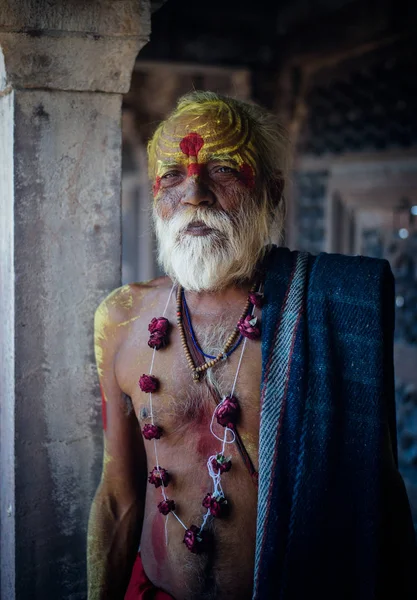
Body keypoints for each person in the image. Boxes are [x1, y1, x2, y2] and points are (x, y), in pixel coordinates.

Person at [87, 91, 416, 600]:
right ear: (155, 194)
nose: (194, 193)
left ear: (271, 191)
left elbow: (377, 495)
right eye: (172, 174)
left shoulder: (327, 305)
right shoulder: (122, 319)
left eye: (222, 170)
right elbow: (117, 500)